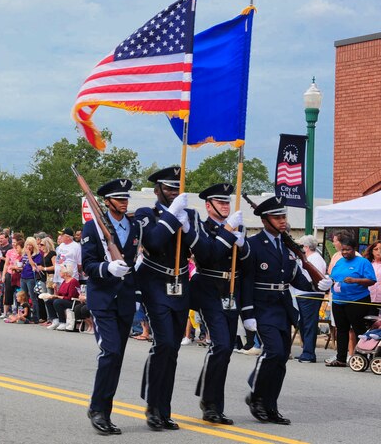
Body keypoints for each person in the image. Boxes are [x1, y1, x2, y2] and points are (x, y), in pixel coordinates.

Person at [240, 196, 333, 424]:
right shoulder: (252, 245)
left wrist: (315, 285)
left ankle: (270, 405)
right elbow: (245, 281)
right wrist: (248, 312)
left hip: (282, 307)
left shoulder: (287, 246)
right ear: (265, 220)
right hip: (261, 306)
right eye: (277, 217)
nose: (283, 221)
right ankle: (256, 395)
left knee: (281, 358)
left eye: (284, 217)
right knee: (272, 351)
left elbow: (295, 278)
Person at [134, 167, 207, 431]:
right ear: (157, 190)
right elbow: (153, 242)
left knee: (173, 350)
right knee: (163, 344)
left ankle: (164, 410)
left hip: (180, 285)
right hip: (155, 284)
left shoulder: (190, 214)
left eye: (177, 188)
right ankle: (153, 407)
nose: (174, 192)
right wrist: (172, 216)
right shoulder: (146, 214)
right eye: (169, 188)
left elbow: (202, 251)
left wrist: (188, 228)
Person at [81, 178, 140, 435]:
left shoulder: (135, 226)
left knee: (117, 358)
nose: (124, 202)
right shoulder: (93, 228)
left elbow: (134, 260)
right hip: (103, 300)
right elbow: (88, 265)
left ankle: (106, 410)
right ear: (106, 202)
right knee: (111, 352)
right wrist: (108, 268)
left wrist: (136, 290)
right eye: (119, 198)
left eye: (126, 197)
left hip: (125, 300)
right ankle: (97, 409)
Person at [189, 183, 249, 425]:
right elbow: (208, 255)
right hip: (208, 290)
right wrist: (228, 230)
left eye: (227, 202)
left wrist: (244, 246)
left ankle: (212, 401)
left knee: (225, 349)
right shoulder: (202, 228)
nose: (225, 206)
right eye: (220, 202)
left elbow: (247, 264)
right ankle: (210, 403)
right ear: (208, 205)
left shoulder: (237, 226)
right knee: (222, 345)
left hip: (231, 292)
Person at [325, 232, 377, 367]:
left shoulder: (363, 262)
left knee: (359, 329)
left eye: (348, 249)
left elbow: (372, 280)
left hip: (357, 300)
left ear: (354, 249)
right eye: (343, 250)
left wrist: (355, 280)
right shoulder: (339, 262)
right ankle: (341, 358)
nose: (345, 252)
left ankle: (363, 357)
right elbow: (333, 276)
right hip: (338, 300)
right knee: (341, 330)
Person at [293, 234, 328, 363]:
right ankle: (306, 351)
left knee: (308, 324)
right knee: (304, 323)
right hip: (305, 294)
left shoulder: (314, 259)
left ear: (306, 247)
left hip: (310, 294)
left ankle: (309, 353)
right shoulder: (311, 258)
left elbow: (313, 278)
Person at [43, 263, 81, 331]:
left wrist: (57, 296)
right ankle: (55, 320)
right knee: (49, 301)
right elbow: (59, 294)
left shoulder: (73, 281)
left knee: (57, 302)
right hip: (64, 300)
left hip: (72, 301)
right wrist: (55, 291)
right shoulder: (64, 281)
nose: (59, 272)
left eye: (60, 271)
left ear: (65, 273)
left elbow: (70, 297)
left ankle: (62, 322)